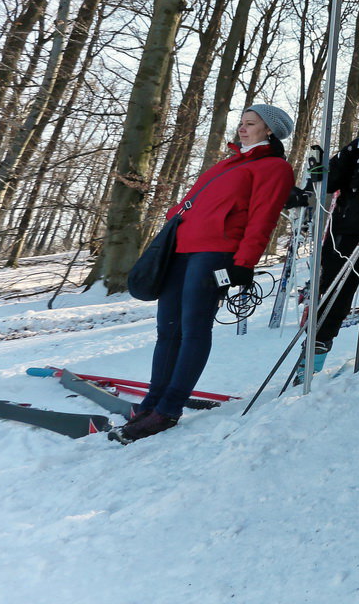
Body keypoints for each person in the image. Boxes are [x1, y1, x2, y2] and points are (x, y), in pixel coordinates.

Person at [112, 105, 295, 443]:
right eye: (241, 122)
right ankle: (151, 404)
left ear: (269, 130)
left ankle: (168, 410)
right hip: (179, 250)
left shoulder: (274, 167)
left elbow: (263, 218)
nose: (242, 128)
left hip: (215, 253)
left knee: (193, 330)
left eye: (251, 124)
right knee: (167, 331)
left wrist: (244, 263)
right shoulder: (226, 164)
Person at [301, 109, 359, 378]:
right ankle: (311, 361)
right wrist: (348, 154)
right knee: (335, 296)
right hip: (347, 233)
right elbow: (327, 182)